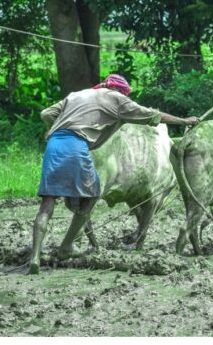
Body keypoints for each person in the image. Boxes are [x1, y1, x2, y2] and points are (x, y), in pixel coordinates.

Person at [28, 74, 199, 274]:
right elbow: (154, 116)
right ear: (121, 91)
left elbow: (46, 113)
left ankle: (35, 257)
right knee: (92, 196)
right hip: (77, 146)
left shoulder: (77, 95)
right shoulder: (117, 99)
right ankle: (66, 247)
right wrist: (184, 120)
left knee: (47, 203)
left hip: (54, 146)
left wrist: (52, 129)